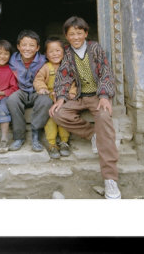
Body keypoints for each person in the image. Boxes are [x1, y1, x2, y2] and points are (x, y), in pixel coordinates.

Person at [50, 16, 121, 199]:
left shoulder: (95, 48)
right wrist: (60, 98)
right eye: (71, 34)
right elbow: (63, 77)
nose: (75, 37)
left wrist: (105, 96)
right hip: (80, 97)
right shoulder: (67, 53)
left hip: (97, 96)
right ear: (66, 35)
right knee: (58, 113)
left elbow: (106, 72)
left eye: (79, 33)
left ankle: (110, 179)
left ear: (86, 33)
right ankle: (92, 134)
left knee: (104, 118)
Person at [6, 30, 52, 152]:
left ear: (37, 48)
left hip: (37, 91)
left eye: (32, 45)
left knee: (46, 101)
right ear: (18, 47)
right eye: (24, 45)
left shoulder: (44, 60)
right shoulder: (12, 59)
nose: (27, 48)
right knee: (12, 99)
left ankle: (36, 135)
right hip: (20, 91)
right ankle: (19, 137)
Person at [33, 37, 76, 159]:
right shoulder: (46, 67)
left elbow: (75, 83)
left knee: (63, 116)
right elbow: (38, 80)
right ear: (46, 54)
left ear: (64, 51)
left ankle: (64, 141)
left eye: (58, 50)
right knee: (50, 119)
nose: (55, 54)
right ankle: (52, 144)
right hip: (51, 98)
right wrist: (42, 88)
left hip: (65, 99)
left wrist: (72, 93)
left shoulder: (69, 67)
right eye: (51, 51)